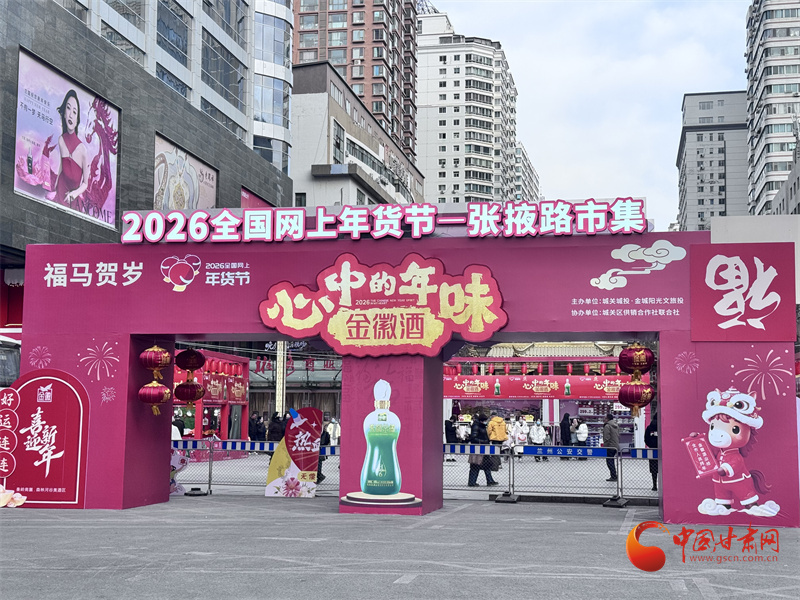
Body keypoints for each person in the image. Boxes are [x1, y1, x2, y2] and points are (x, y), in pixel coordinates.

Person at [52, 89, 89, 206]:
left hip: (73, 201)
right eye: (68, 108)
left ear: (77, 120)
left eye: (74, 112)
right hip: (59, 194)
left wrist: (74, 194)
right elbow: (62, 165)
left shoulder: (82, 150)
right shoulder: (61, 140)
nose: (70, 115)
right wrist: (55, 185)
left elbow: (85, 183)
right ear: (64, 113)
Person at [467, 413, 498, 487]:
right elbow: (473, 438)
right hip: (478, 449)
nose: (486, 422)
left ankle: (489, 480)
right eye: (485, 420)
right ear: (481, 420)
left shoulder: (482, 426)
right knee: (475, 465)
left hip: (483, 448)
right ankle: (472, 482)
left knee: (486, 465)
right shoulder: (476, 426)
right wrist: (485, 441)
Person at [603, 413, 620, 481]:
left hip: (610, 445)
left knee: (609, 461)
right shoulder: (616, 425)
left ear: (607, 419)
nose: (604, 419)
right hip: (615, 445)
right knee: (612, 460)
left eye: (605, 418)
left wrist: (605, 446)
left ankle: (613, 476)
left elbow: (606, 437)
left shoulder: (607, 426)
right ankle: (614, 475)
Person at [644, 412, 659, 491]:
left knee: (654, 469)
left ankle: (654, 485)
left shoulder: (649, 428)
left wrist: (651, 445)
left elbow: (646, 439)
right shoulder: (662, 427)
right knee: (663, 467)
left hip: (652, 450)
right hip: (662, 450)